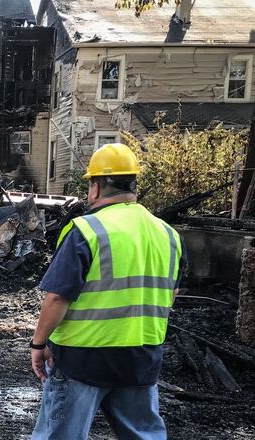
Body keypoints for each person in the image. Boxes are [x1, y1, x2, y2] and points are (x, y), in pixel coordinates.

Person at [30, 143, 185, 439]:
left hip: (82, 359)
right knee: (143, 434)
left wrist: (39, 344)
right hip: (141, 358)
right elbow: (170, 295)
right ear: (134, 184)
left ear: (96, 188)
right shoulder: (169, 234)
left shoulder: (86, 230)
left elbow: (58, 297)